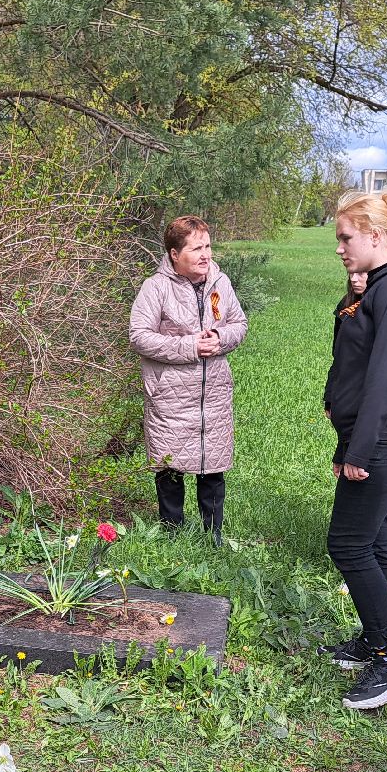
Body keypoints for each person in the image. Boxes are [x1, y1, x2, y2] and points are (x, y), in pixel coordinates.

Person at [318, 190, 387, 710]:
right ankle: (376, 638)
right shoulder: (380, 284)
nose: (340, 247)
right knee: (378, 544)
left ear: (378, 236)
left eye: (346, 237)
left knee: (348, 545)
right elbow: (353, 353)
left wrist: (358, 452)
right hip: (379, 435)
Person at [129, 216, 248, 540]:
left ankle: (213, 538)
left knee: (213, 467)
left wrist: (219, 338)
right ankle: (172, 533)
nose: (205, 255)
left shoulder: (219, 283)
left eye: (207, 246)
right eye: (196, 248)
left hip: (213, 393)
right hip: (170, 394)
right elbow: (139, 336)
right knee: (170, 465)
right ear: (174, 254)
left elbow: (239, 324)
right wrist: (189, 345)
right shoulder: (156, 288)